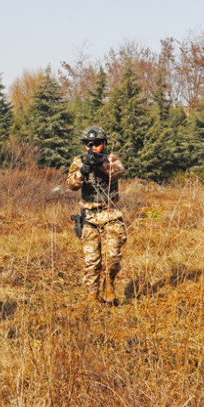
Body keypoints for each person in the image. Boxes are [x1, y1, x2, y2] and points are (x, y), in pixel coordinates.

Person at [66, 126, 126, 305]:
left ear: (104, 143)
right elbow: (71, 184)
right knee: (92, 262)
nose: (93, 147)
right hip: (90, 218)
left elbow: (117, 172)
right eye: (88, 144)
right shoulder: (79, 161)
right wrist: (83, 170)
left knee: (113, 257)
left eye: (98, 144)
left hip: (111, 215)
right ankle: (93, 298)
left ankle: (109, 284)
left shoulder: (111, 158)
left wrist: (99, 164)